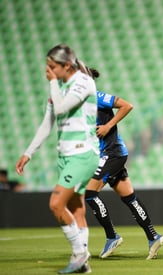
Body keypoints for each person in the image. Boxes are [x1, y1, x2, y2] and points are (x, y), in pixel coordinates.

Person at [15, 44, 99, 273]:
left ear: (66, 65)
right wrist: (28, 152)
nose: (47, 71)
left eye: (52, 67)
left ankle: (79, 253)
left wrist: (52, 83)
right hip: (67, 154)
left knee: (56, 203)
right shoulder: (60, 87)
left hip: (82, 153)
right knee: (76, 208)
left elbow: (61, 109)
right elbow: (47, 123)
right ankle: (83, 261)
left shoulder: (83, 82)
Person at [83, 67, 163, 260]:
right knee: (129, 198)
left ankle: (112, 236)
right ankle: (153, 236)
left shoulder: (96, 96)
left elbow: (127, 105)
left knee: (89, 193)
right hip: (111, 154)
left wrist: (108, 126)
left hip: (112, 153)